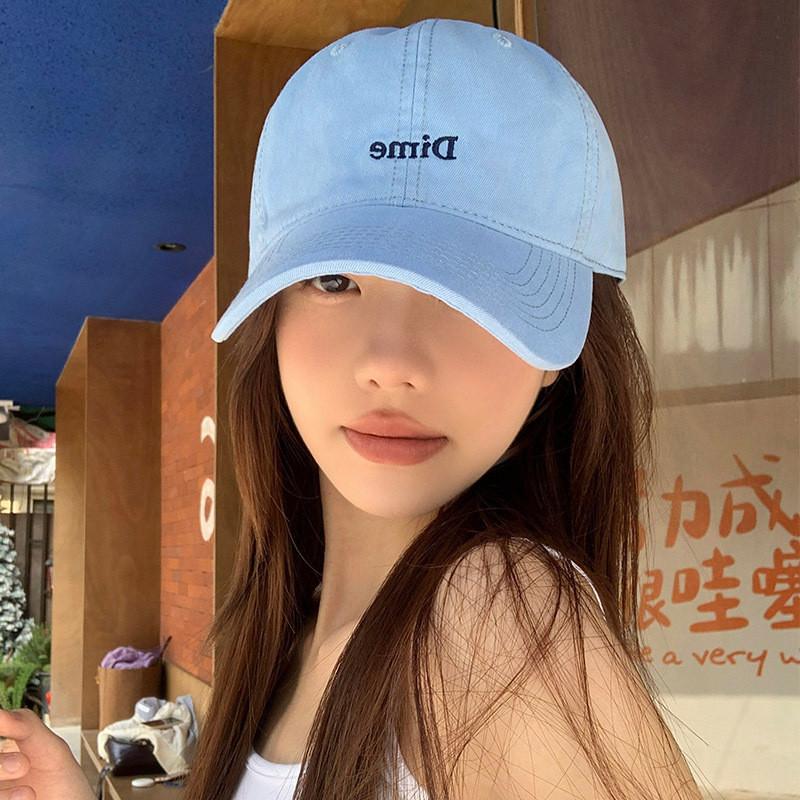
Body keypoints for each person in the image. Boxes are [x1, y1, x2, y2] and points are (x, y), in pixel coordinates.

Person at [0, 18, 707, 800]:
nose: (390, 364)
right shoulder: (289, 630)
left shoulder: (499, 622)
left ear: (555, 357)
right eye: (334, 280)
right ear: (273, 314)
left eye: (467, 290)